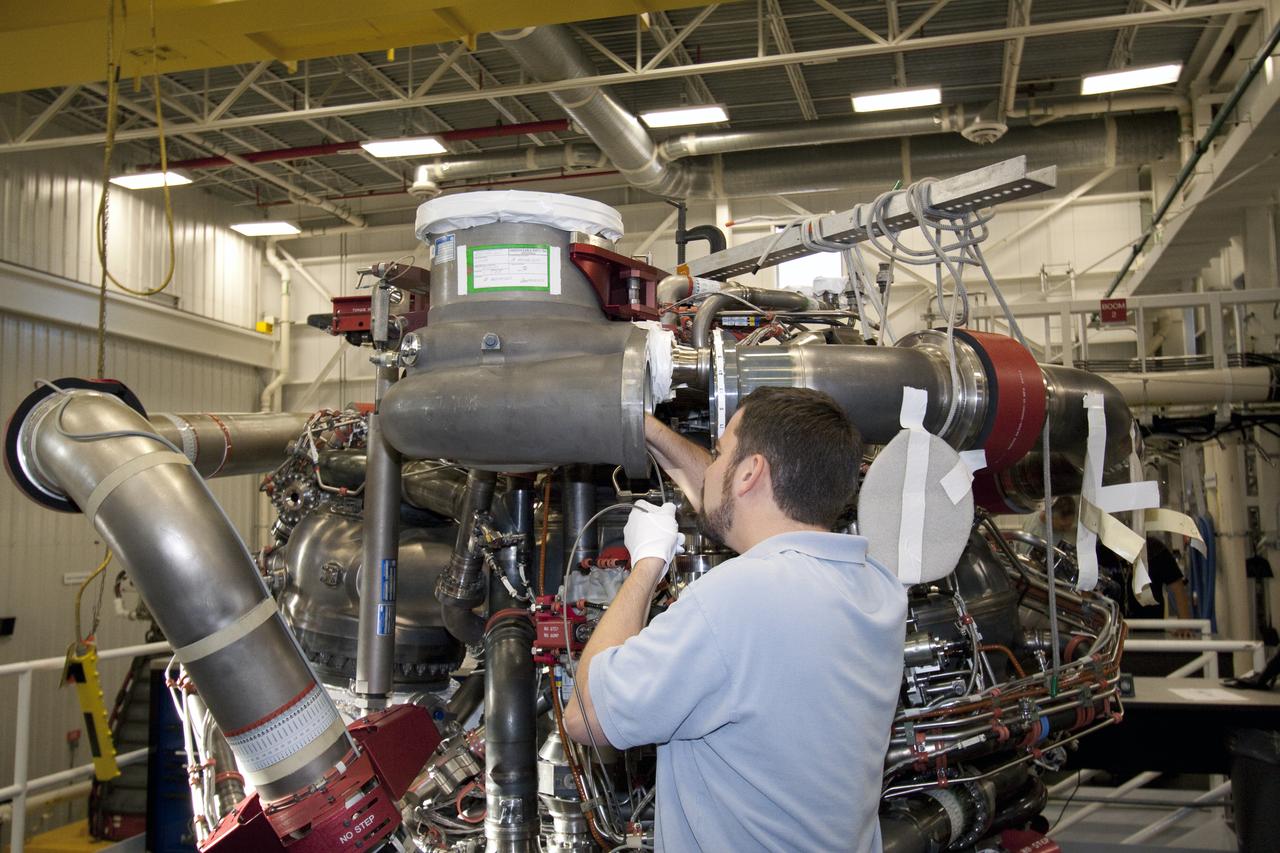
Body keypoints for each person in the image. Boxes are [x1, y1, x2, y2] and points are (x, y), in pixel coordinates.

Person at [562, 387, 907, 852]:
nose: (712, 464)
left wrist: (646, 563)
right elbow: (727, 496)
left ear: (749, 473)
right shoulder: (878, 589)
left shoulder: (737, 599)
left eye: (720, 452)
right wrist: (641, 426)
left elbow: (587, 715)